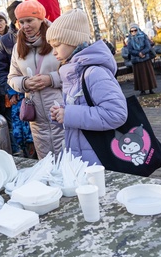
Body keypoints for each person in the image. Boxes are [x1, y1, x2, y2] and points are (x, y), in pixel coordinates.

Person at [47, 9, 127, 165]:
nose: (53, 52)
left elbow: (116, 113)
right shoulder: (74, 72)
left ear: (73, 41)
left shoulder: (94, 72)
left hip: (98, 160)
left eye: (56, 45)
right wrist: (61, 114)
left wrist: (69, 114)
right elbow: (83, 106)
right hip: (82, 155)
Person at [8, 0, 64, 160]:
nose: (25, 26)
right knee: (46, 161)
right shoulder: (18, 46)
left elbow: (72, 71)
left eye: (30, 20)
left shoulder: (56, 39)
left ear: (41, 19)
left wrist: (51, 79)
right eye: (21, 22)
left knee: (68, 158)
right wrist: (24, 83)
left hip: (60, 108)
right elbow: (12, 77)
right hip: (36, 115)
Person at [0, 1, 34, 157]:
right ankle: (28, 154)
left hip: (38, 89)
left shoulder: (37, 34)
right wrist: (11, 90)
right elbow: (0, 69)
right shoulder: (4, 41)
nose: (25, 24)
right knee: (22, 129)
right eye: (21, 20)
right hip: (17, 92)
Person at [127, 24, 157, 95]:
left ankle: (151, 89)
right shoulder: (130, 39)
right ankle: (142, 90)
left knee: (148, 74)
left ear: (138, 30)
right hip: (136, 59)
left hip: (145, 58)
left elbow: (148, 46)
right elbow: (130, 50)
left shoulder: (143, 36)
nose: (133, 32)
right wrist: (138, 54)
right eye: (132, 31)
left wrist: (142, 52)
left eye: (135, 30)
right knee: (140, 75)